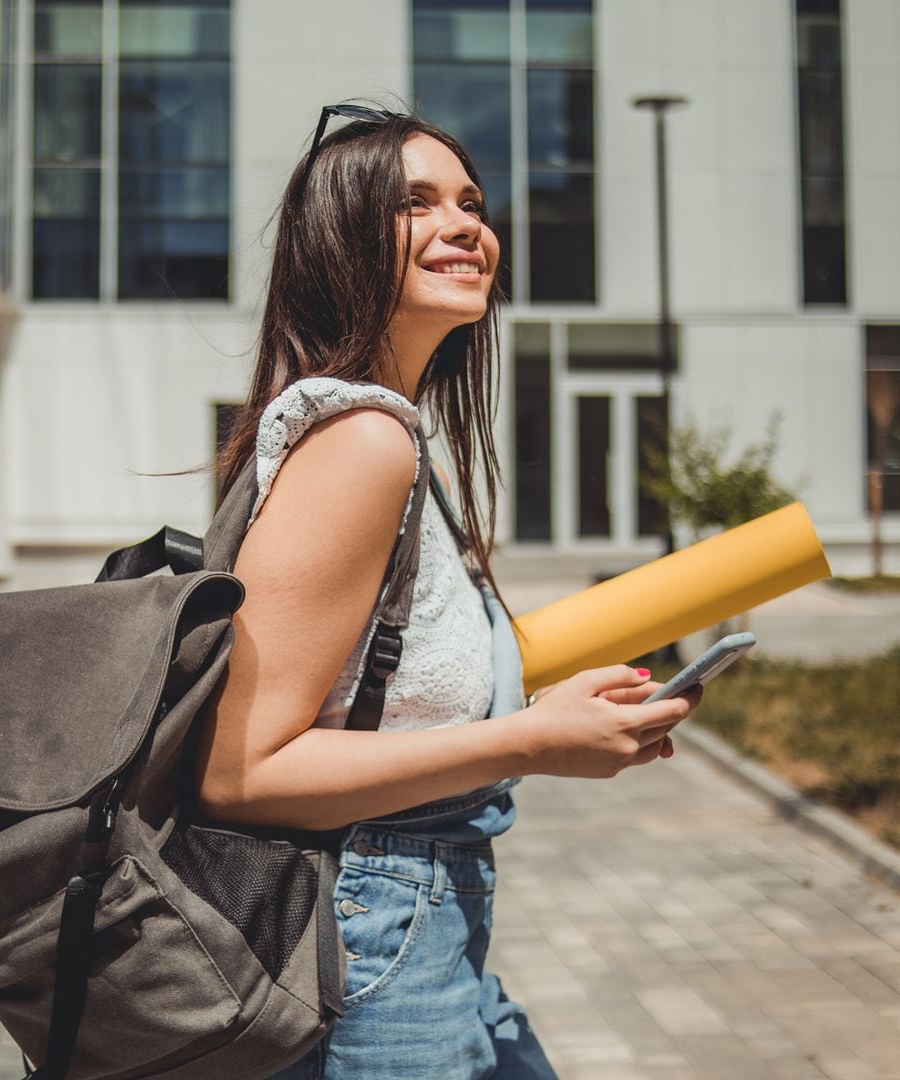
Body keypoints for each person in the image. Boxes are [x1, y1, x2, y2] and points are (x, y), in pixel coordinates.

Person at [195, 105, 701, 1080]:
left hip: (422, 915)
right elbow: (240, 772)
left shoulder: (404, 439)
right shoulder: (360, 443)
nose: (466, 223)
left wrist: (553, 708)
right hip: (374, 926)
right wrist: (531, 741)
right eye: (414, 204)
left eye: (472, 201)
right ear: (339, 236)